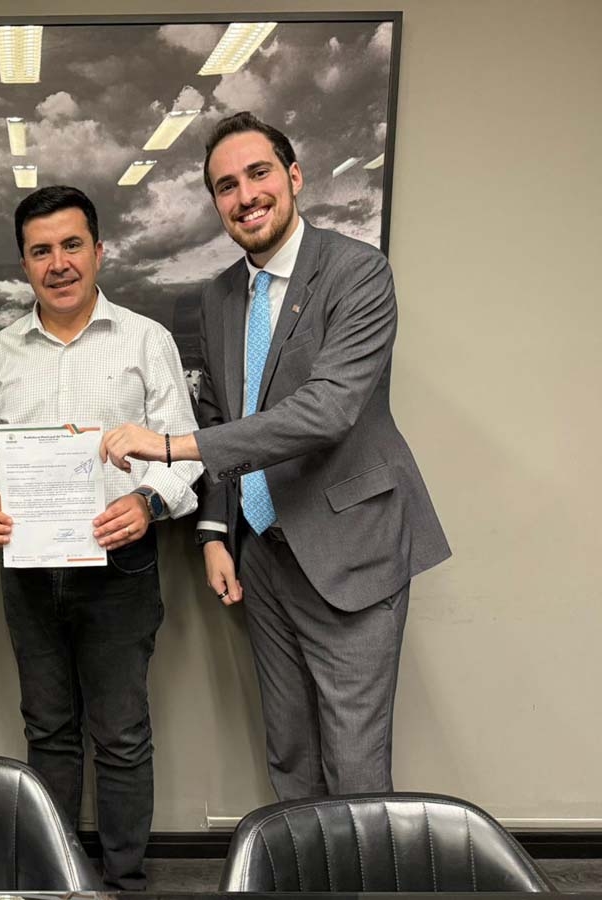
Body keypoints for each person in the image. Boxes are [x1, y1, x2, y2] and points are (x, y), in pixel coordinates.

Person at [100, 112, 451, 799]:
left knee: (355, 767)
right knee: (290, 754)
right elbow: (222, 413)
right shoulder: (220, 296)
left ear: (294, 177)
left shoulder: (358, 273)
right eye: (226, 186)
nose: (245, 196)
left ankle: (358, 864)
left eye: (258, 173)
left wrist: (170, 448)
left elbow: (326, 411)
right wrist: (213, 531)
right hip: (262, 554)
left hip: (351, 550)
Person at [0, 186, 203, 890]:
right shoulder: (0, 353)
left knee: (122, 735)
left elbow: (185, 453)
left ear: (99, 252)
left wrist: (148, 503)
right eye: (41, 251)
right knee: (48, 732)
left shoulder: (145, 341)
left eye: (72, 245)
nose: (59, 263)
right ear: (24, 264)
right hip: (29, 571)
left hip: (120, 565)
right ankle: (57, 879)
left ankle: (124, 881)